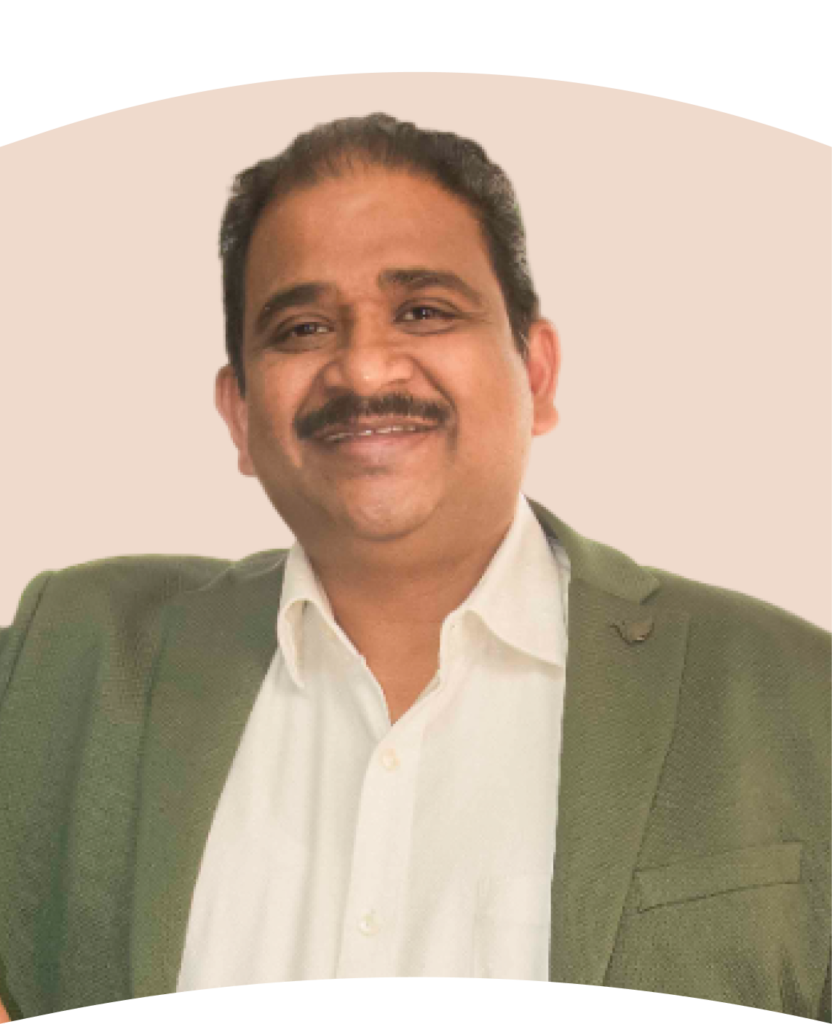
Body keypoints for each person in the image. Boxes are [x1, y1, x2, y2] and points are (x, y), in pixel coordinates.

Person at [1, 112, 830, 1017]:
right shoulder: (73, 656)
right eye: (302, 327)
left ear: (537, 374)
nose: (364, 369)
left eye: (424, 311)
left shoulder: (792, 692)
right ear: (239, 413)